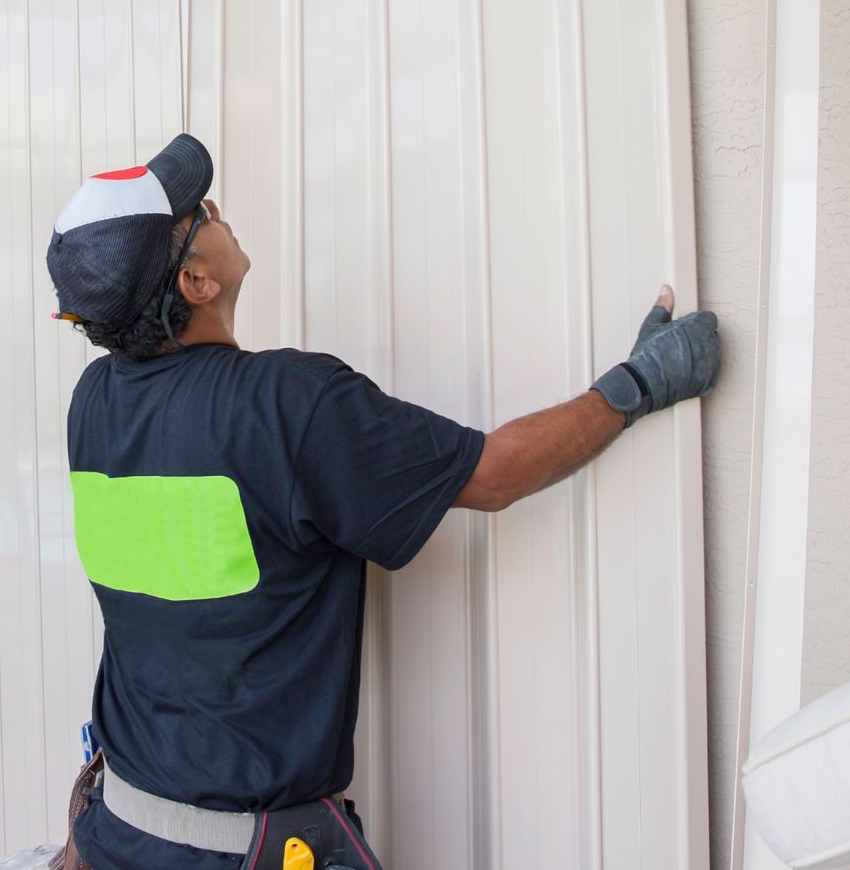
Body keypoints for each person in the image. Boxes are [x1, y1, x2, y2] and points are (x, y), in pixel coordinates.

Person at [45, 134, 721, 870]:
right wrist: (636, 387)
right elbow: (490, 474)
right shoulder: (288, 406)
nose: (215, 207)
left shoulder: (94, 404)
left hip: (117, 832)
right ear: (197, 283)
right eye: (197, 210)